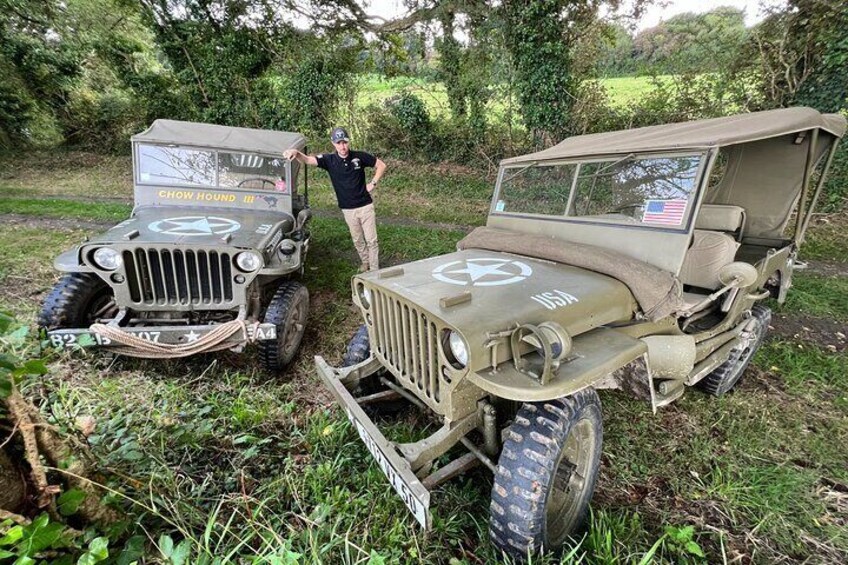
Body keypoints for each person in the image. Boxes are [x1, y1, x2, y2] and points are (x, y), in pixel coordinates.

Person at [284, 127, 386, 272]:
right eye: (339, 143)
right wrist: (296, 153)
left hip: (365, 206)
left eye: (345, 142)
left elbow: (381, 165)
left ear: (348, 142)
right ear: (333, 143)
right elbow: (307, 160)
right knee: (357, 240)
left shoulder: (359, 157)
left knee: (372, 240)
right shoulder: (329, 160)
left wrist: (373, 183)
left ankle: (374, 270)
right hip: (348, 209)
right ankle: (365, 263)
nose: (342, 146)